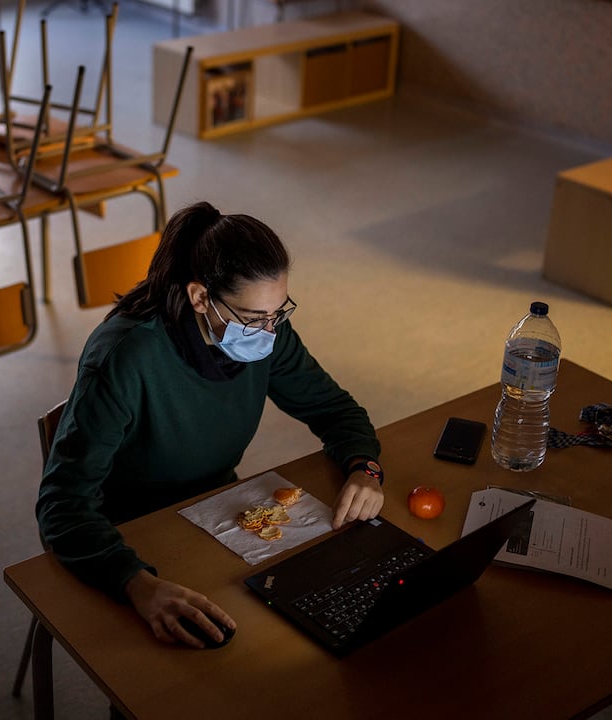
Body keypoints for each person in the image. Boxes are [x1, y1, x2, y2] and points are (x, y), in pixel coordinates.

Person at [36, 201, 386, 649]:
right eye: (255, 318)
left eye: (279, 313)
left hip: (216, 507)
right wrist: (137, 584)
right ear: (200, 297)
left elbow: (335, 410)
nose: (269, 332)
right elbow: (62, 505)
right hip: (126, 535)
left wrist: (366, 467)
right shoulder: (127, 357)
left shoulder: (265, 334)